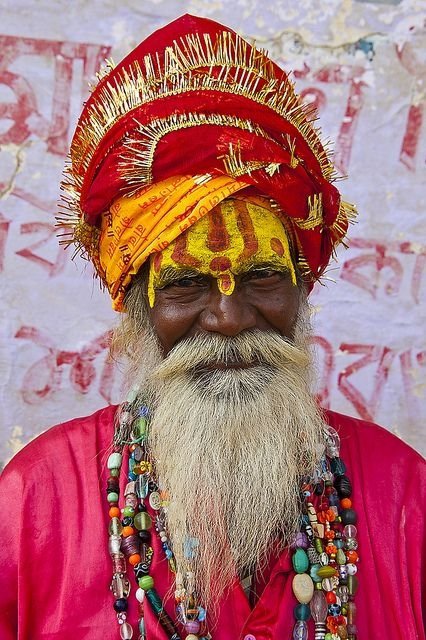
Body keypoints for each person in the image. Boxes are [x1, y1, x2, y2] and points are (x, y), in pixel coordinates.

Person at [0, 14, 424, 640]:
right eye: (185, 285)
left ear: (303, 288)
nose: (228, 318)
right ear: (135, 307)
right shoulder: (35, 503)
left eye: (261, 277)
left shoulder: (403, 496)